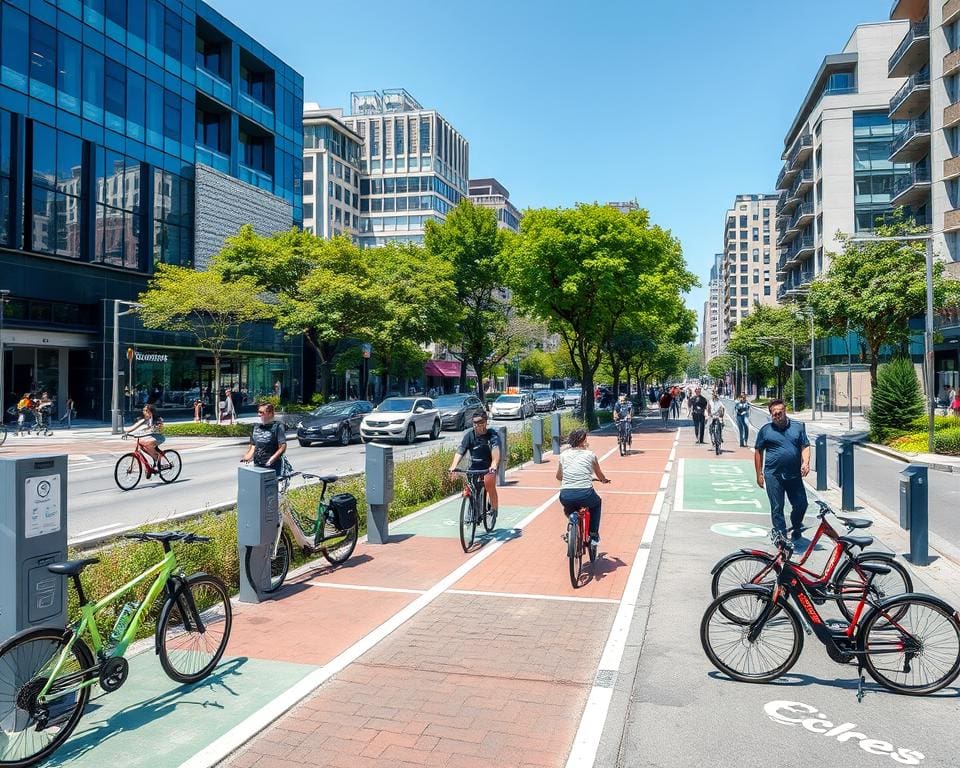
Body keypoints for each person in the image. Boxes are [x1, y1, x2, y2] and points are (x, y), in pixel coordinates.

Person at [754, 399, 810, 542]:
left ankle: (796, 525)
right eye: (774, 414)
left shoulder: (797, 427)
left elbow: (805, 446)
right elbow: (758, 451)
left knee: (801, 504)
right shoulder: (766, 430)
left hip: (793, 475)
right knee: (777, 506)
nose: (777, 416)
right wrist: (759, 474)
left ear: (785, 411)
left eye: (780, 412)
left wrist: (806, 463)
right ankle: (781, 535)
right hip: (773, 475)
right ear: (771, 414)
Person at [556, 428, 610, 545]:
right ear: (583, 441)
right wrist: (604, 480)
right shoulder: (590, 455)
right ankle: (593, 534)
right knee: (596, 504)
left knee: (569, 508)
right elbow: (599, 474)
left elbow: (559, 476)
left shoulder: (563, 455)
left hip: (565, 495)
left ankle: (571, 526)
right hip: (585, 494)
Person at [448, 411, 501, 517]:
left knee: (489, 483)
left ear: (486, 423)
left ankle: (494, 508)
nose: (477, 426)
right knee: (472, 488)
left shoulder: (492, 435)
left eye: (480, 423)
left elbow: (495, 450)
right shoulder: (469, 435)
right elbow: (461, 450)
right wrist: (453, 466)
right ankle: (474, 510)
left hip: (488, 466)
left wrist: (494, 464)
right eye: (475, 423)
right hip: (474, 466)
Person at [241, 402, 287, 476]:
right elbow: (253, 445)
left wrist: (271, 460)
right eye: (258, 412)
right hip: (257, 466)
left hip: (272, 467)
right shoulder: (255, 427)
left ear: (270, 414)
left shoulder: (277, 427)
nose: (259, 414)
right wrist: (247, 457)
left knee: (269, 486)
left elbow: (282, 446)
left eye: (261, 412)